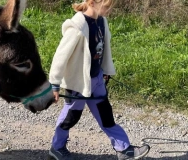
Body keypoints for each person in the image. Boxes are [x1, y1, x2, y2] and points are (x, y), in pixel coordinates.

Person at [48, 0, 150, 160]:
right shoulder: (77, 26)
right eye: (107, 5)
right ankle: (57, 148)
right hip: (79, 84)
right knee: (70, 117)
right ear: (92, 3)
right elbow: (60, 56)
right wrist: (54, 84)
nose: (110, 9)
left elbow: (102, 49)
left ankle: (123, 149)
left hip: (96, 79)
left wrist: (106, 70)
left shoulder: (102, 22)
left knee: (106, 114)